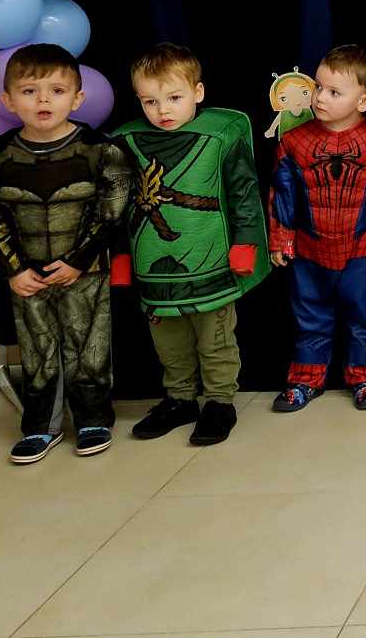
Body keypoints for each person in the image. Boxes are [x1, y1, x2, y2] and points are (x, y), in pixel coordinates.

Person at [0, 44, 133, 464]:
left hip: (85, 272)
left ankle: (93, 419)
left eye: (57, 91)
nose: (43, 100)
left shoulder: (103, 151)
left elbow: (111, 214)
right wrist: (13, 269)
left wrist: (78, 261)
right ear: (8, 100)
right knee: (37, 348)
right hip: (26, 275)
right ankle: (41, 426)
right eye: (29, 91)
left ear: (77, 98)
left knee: (89, 345)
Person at [112, 44, 269, 447]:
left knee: (215, 339)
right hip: (152, 264)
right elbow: (118, 206)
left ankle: (219, 401)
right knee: (168, 341)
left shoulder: (220, 135)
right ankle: (180, 398)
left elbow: (243, 192)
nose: (162, 110)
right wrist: (121, 257)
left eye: (174, 97)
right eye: (150, 101)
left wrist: (246, 243)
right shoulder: (126, 141)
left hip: (210, 259)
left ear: (198, 92)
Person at [267, 44, 366, 412]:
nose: (320, 98)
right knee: (310, 317)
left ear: (364, 101)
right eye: (318, 87)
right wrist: (280, 238)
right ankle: (305, 378)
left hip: (364, 250)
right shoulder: (294, 142)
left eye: (334, 92)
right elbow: (282, 192)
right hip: (309, 251)